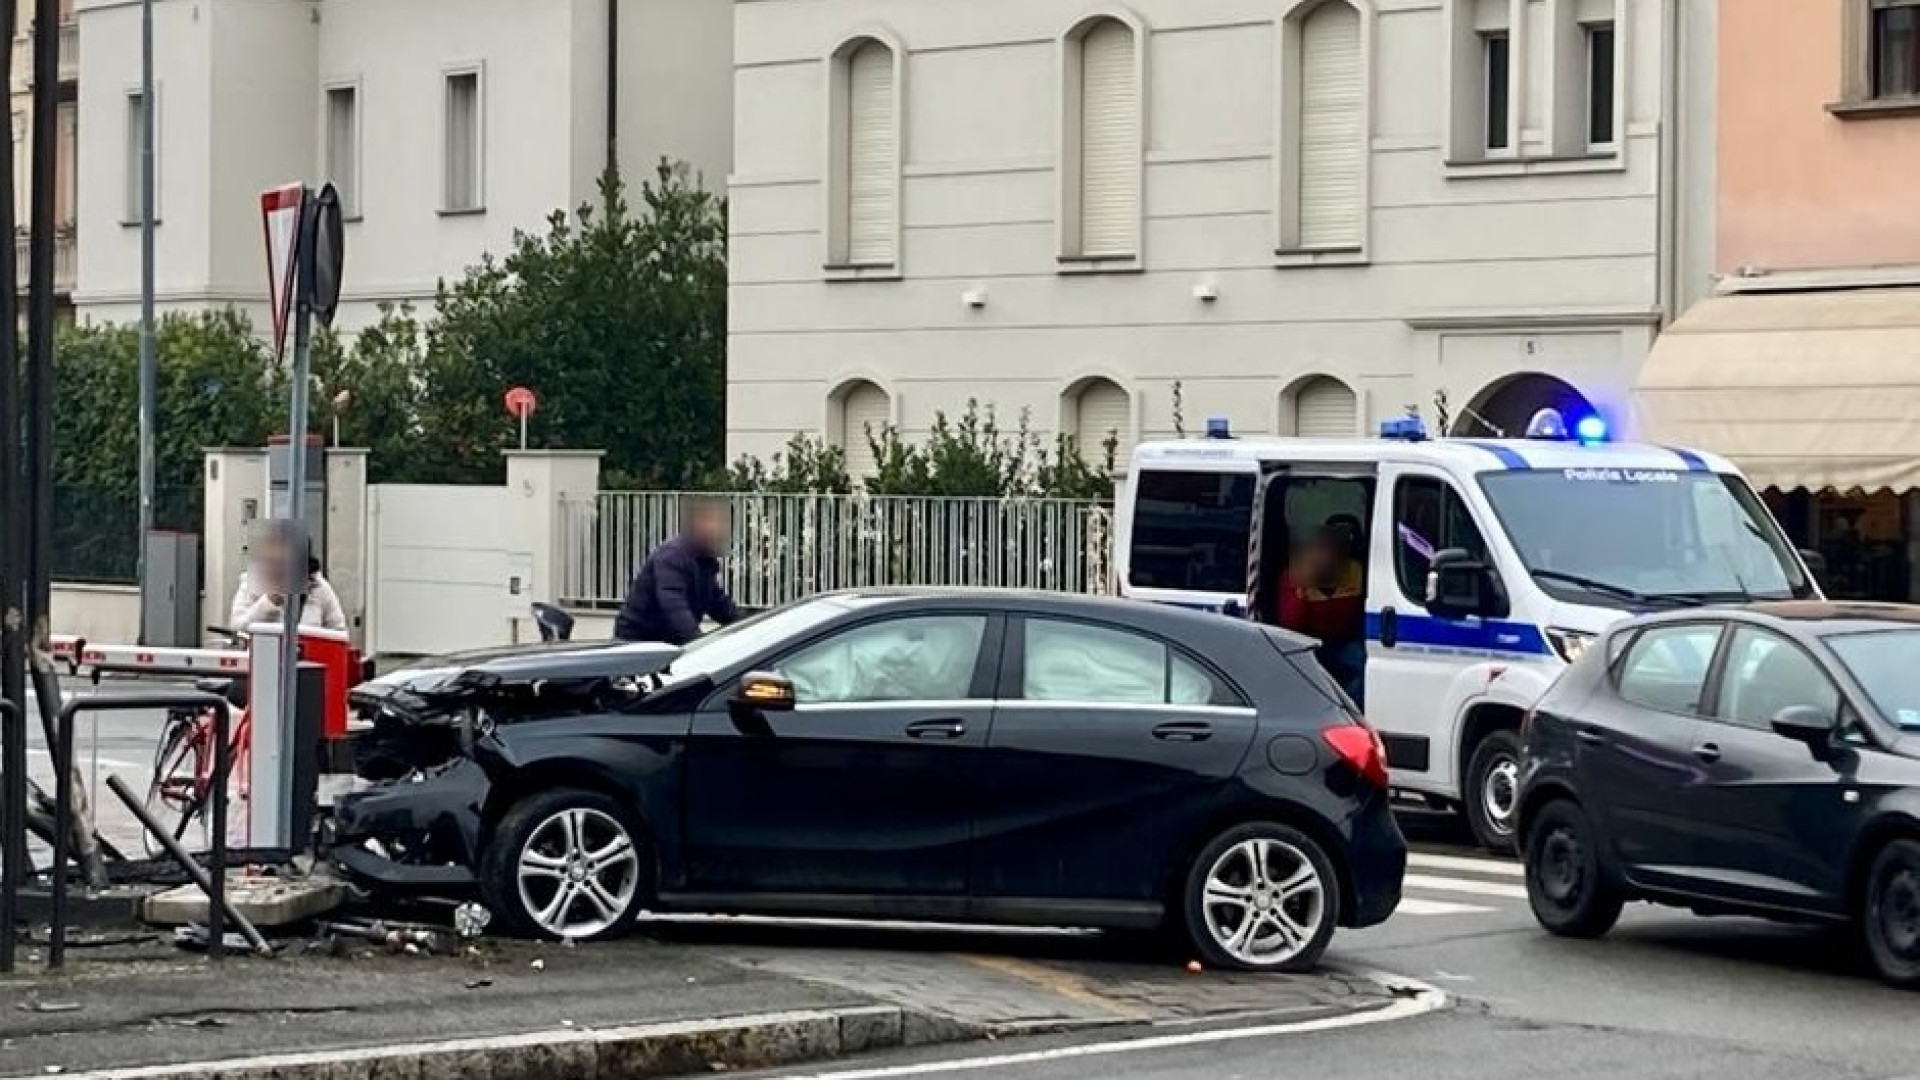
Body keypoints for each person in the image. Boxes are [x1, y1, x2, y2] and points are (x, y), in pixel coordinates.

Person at [614, 499, 742, 645]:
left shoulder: (704, 560)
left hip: (665, 644)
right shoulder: (673, 556)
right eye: (713, 521)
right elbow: (674, 607)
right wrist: (698, 643)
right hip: (638, 644)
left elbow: (720, 605)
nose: (721, 529)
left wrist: (750, 630)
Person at [1275, 522, 1367, 702]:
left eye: (1331, 550)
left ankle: (1346, 707)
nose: (1326, 556)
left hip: (1342, 639)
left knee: (1361, 662)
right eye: (1320, 549)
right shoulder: (1294, 575)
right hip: (1306, 641)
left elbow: (1358, 614)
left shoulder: (1355, 571)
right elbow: (1290, 624)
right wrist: (1302, 589)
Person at [229, 521, 348, 632]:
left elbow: (339, 630)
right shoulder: (252, 582)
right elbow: (237, 627)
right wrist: (268, 603)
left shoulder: (318, 586)